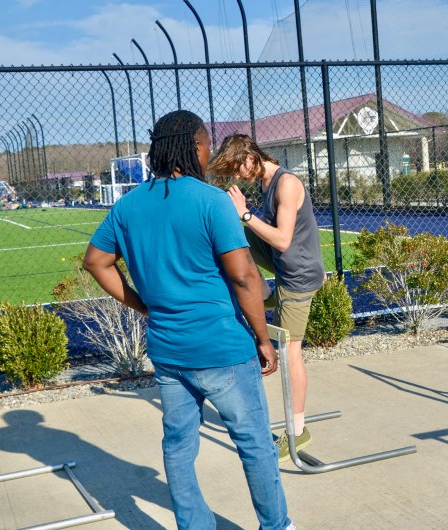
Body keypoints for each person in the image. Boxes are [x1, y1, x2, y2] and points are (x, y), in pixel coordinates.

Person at [83, 110, 294, 530]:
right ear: (195, 147)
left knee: (178, 447)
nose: (208, 151)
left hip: (169, 351)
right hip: (223, 348)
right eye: (205, 144)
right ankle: (276, 526)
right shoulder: (211, 200)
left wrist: (145, 305)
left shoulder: (128, 205)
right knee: (254, 443)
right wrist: (263, 339)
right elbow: (244, 276)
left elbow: (95, 262)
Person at [208, 135, 325, 462]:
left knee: (289, 354)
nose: (239, 176)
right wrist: (238, 218)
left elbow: (284, 241)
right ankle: (264, 293)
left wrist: (245, 214)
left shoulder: (286, 184)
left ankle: (298, 432)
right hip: (284, 269)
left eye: (238, 168)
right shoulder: (266, 181)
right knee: (237, 230)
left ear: (250, 156)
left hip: (298, 278)